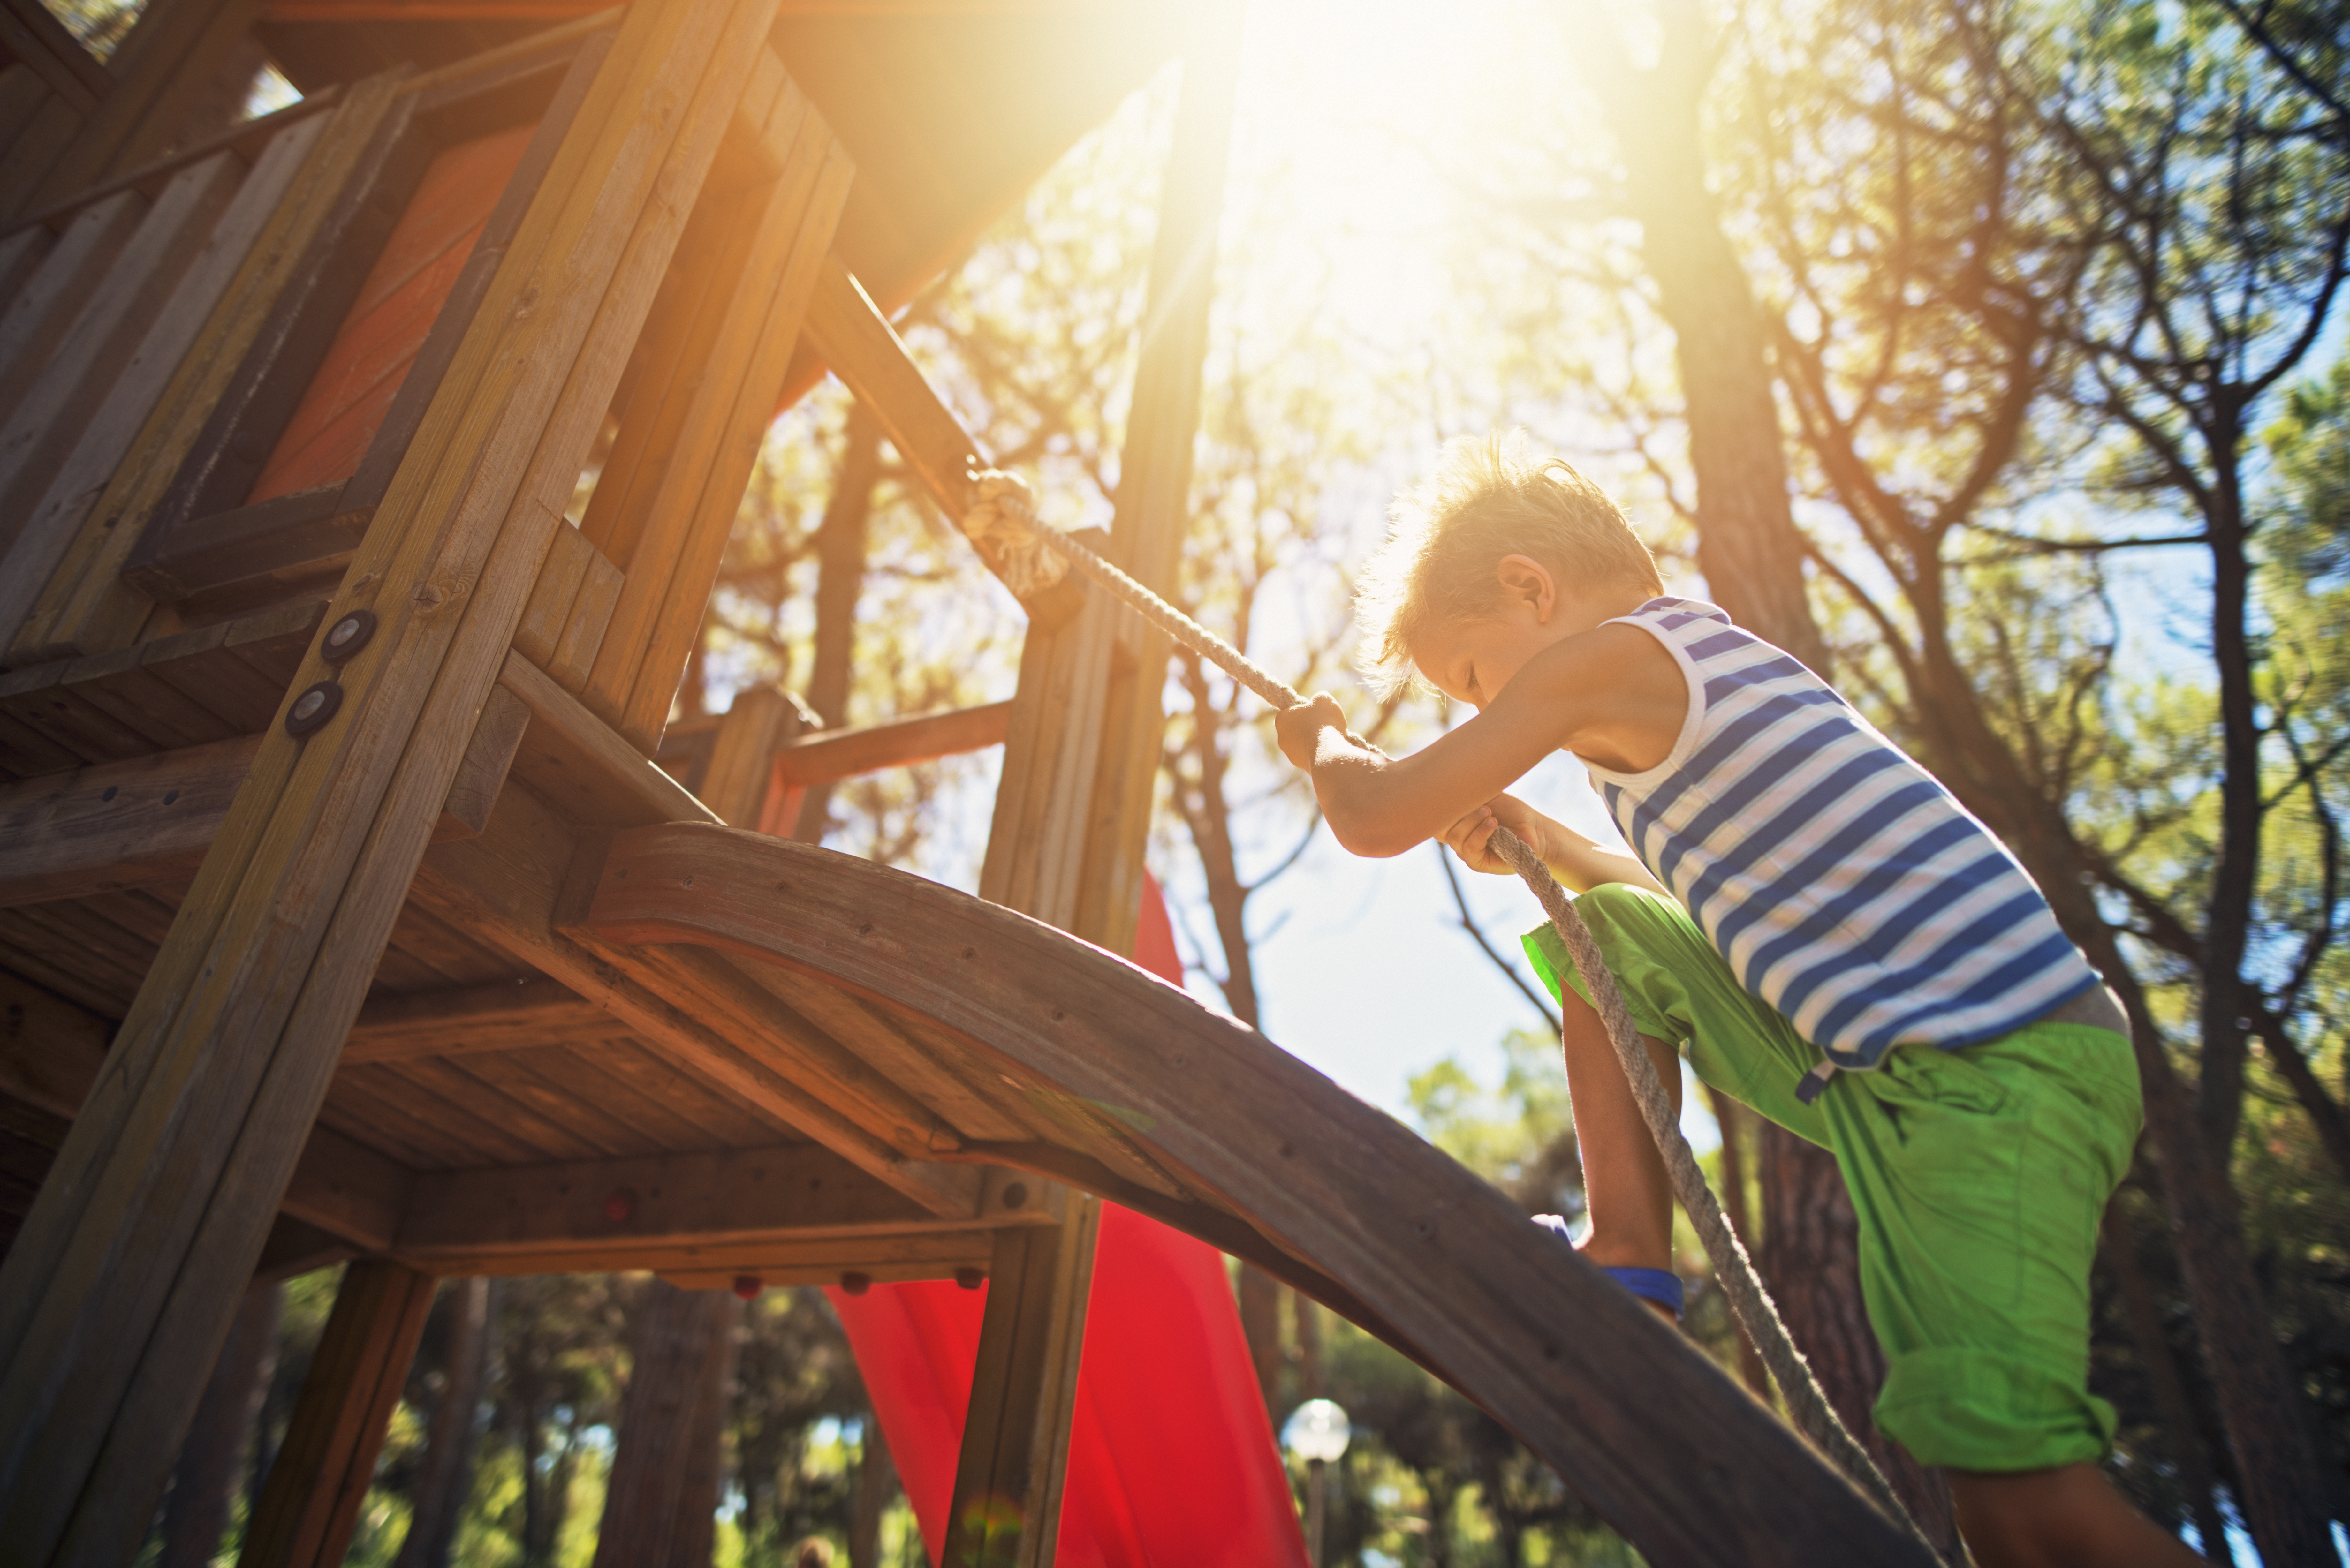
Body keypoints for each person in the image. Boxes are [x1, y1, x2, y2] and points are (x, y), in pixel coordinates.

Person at [1273, 434, 2202, 1568]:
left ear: (1531, 587)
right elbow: (1692, 922)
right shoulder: (1689, 681)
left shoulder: (1614, 656)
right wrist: (1550, 840)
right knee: (1994, 1516)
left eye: (1472, 680)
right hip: (1892, 1074)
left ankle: (1625, 1254)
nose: (1482, 710)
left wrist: (1323, 745)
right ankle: (1633, 1265)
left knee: (2034, 1498)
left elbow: (1377, 818)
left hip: (1992, 1061)